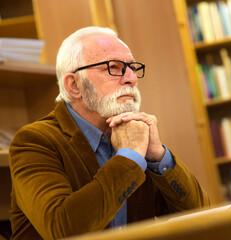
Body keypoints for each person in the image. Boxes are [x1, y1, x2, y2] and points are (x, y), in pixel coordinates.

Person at [8, 26, 210, 240]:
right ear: (74, 85)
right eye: (114, 67)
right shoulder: (34, 141)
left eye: (132, 67)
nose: (132, 78)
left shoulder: (133, 134)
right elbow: (63, 229)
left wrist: (158, 156)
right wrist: (129, 158)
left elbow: (200, 215)